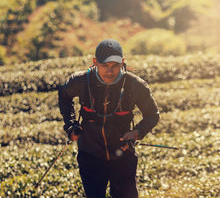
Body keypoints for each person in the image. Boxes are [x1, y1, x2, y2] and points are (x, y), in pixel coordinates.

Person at [58, 39, 160, 198]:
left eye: (115, 66)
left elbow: (152, 115)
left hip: (122, 155)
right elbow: (64, 96)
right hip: (90, 155)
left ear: (123, 63)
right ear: (95, 62)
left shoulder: (135, 85)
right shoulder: (80, 81)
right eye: (105, 65)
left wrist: (137, 133)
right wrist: (70, 125)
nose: (110, 71)